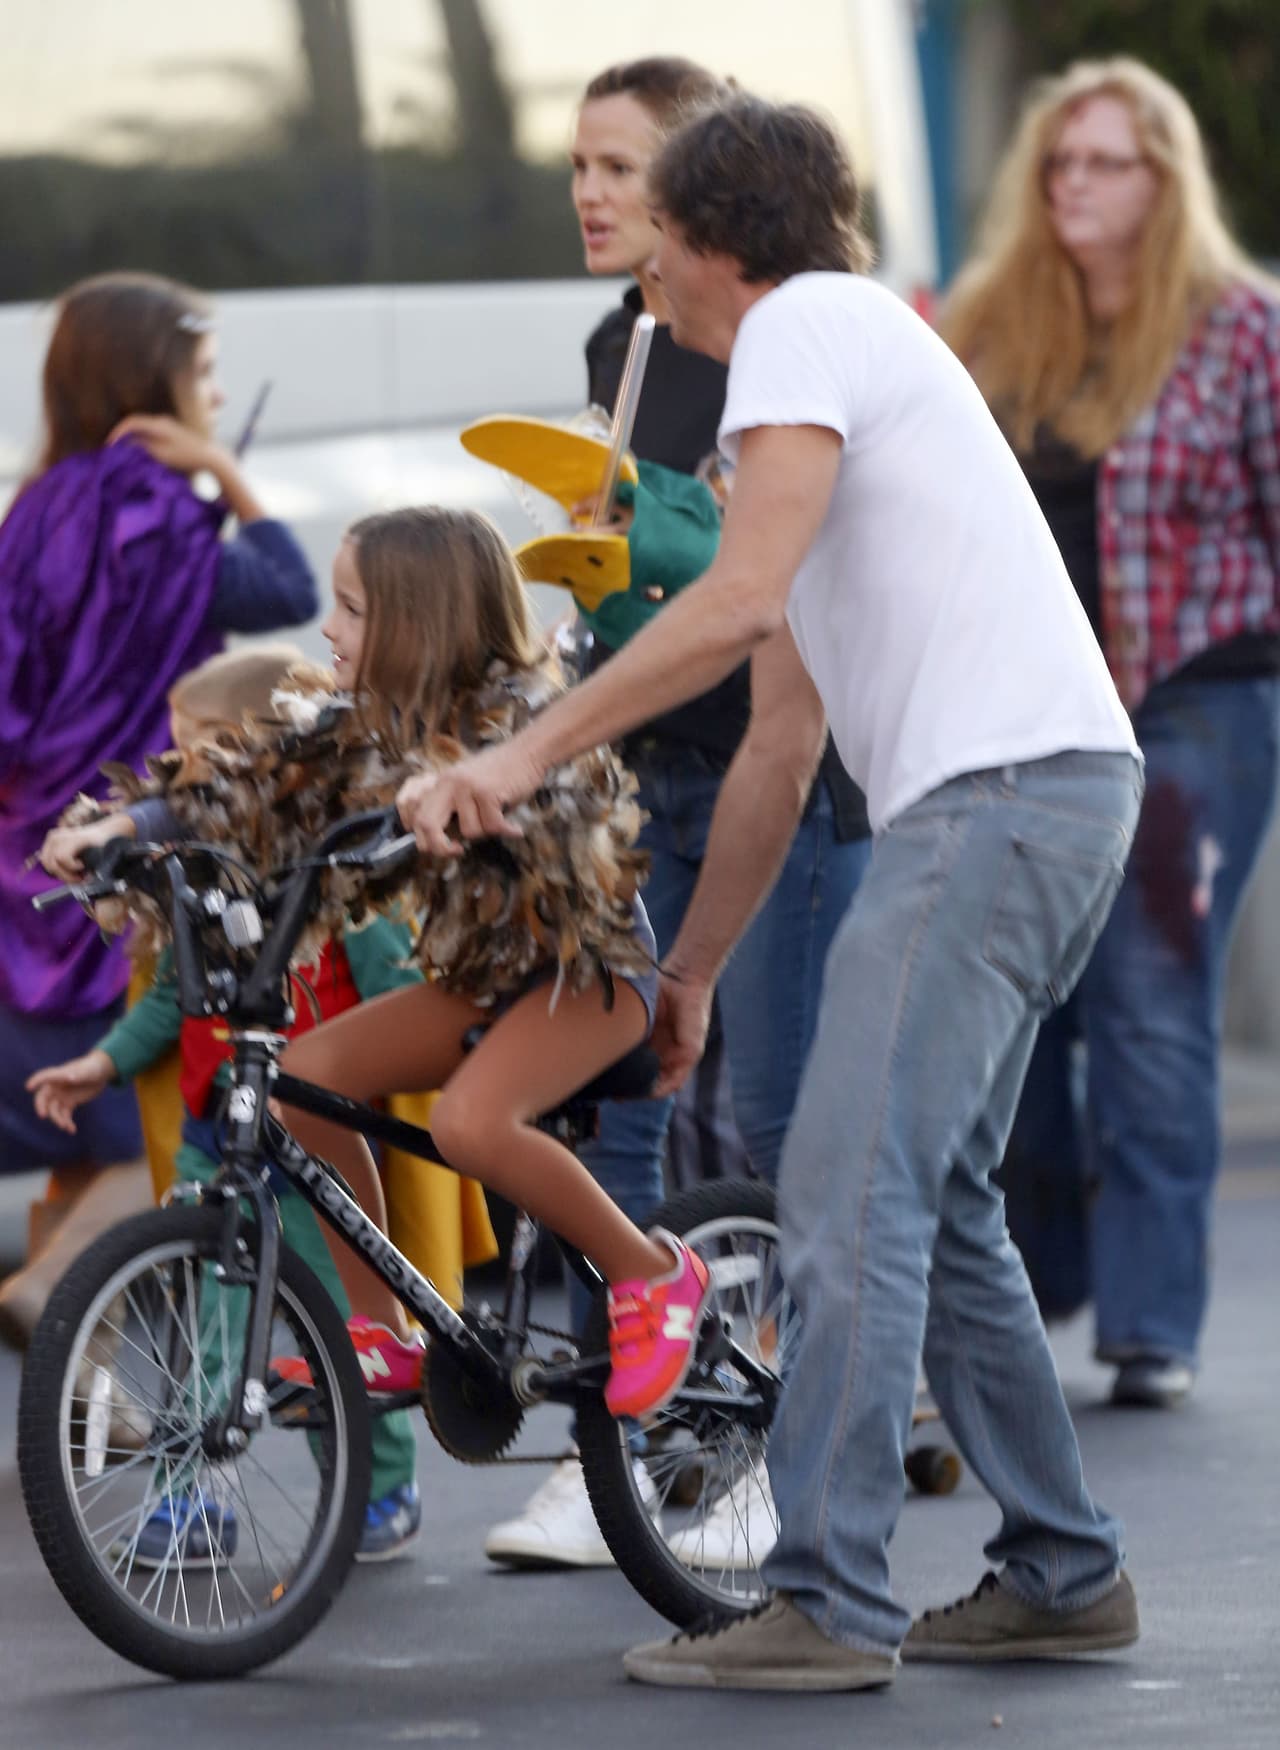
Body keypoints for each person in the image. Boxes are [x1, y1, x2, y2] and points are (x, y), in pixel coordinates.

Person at [396, 95, 1144, 1691]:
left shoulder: (802, 326)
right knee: (932, 1200)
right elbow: (788, 735)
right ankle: (1065, 1567)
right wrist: (693, 975)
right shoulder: (824, 380)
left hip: (993, 801)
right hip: (1051, 794)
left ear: (717, 242)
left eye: (652, 229)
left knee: (846, 1189)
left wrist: (517, 761)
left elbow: (734, 606)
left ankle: (823, 1598)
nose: (639, 273)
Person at [40, 505, 713, 1431]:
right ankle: (383, 1331)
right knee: (296, 1084)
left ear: (415, 621)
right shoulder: (361, 726)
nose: (328, 628)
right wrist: (122, 827)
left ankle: (656, 1275)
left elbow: (566, 801)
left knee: (475, 1124)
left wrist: (485, 792)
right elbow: (250, 782)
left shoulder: (525, 714)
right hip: (484, 977)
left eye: (351, 609)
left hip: (585, 971)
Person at [485, 53, 872, 1573]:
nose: (590, 193)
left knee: (783, 1124)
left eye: (620, 168)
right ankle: (621, 1457)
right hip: (637, 777)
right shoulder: (619, 335)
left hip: (778, 772)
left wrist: (646, 532)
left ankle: (781, 1446)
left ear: (701, 195)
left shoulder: (777, 338)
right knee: (618, 1114)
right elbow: (649, 553)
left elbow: (744, 570)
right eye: (576, 166)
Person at [940, 58, 1280, 1409]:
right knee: (1021, 1001)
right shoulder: (986, 324)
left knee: (1148, 997)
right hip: (1031, 708)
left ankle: (1150, 1323)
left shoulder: (1239, 330)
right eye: (1059, 163)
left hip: (1197, 694)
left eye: (1105, 163)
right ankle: (1044, 1276)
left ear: (1164, 181)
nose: (1074, 185)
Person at [28, 643, 438, 1563]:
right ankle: (194, 1495)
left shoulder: (327, 878)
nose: (181, 766)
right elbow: (176, 994)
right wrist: (101, 1063)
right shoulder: (205, 873)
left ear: (270, 750)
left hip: (316, 1153)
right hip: (226, 1141)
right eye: (174, 747)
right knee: (211, 1330)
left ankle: (378, 1482)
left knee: (345, 1325)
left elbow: (390, 982)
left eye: (205, 744)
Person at [0, 271, 317, 1347]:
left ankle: (81, 1372)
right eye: (206, 377)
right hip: (143, 836)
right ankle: (68, 1285)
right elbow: (286, 591)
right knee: (154, 1108)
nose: (217, 400)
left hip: (35, 838)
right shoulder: (163, 519)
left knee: (77, 1114)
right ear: (153, 385)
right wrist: (229, 480)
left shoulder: (34, 508)